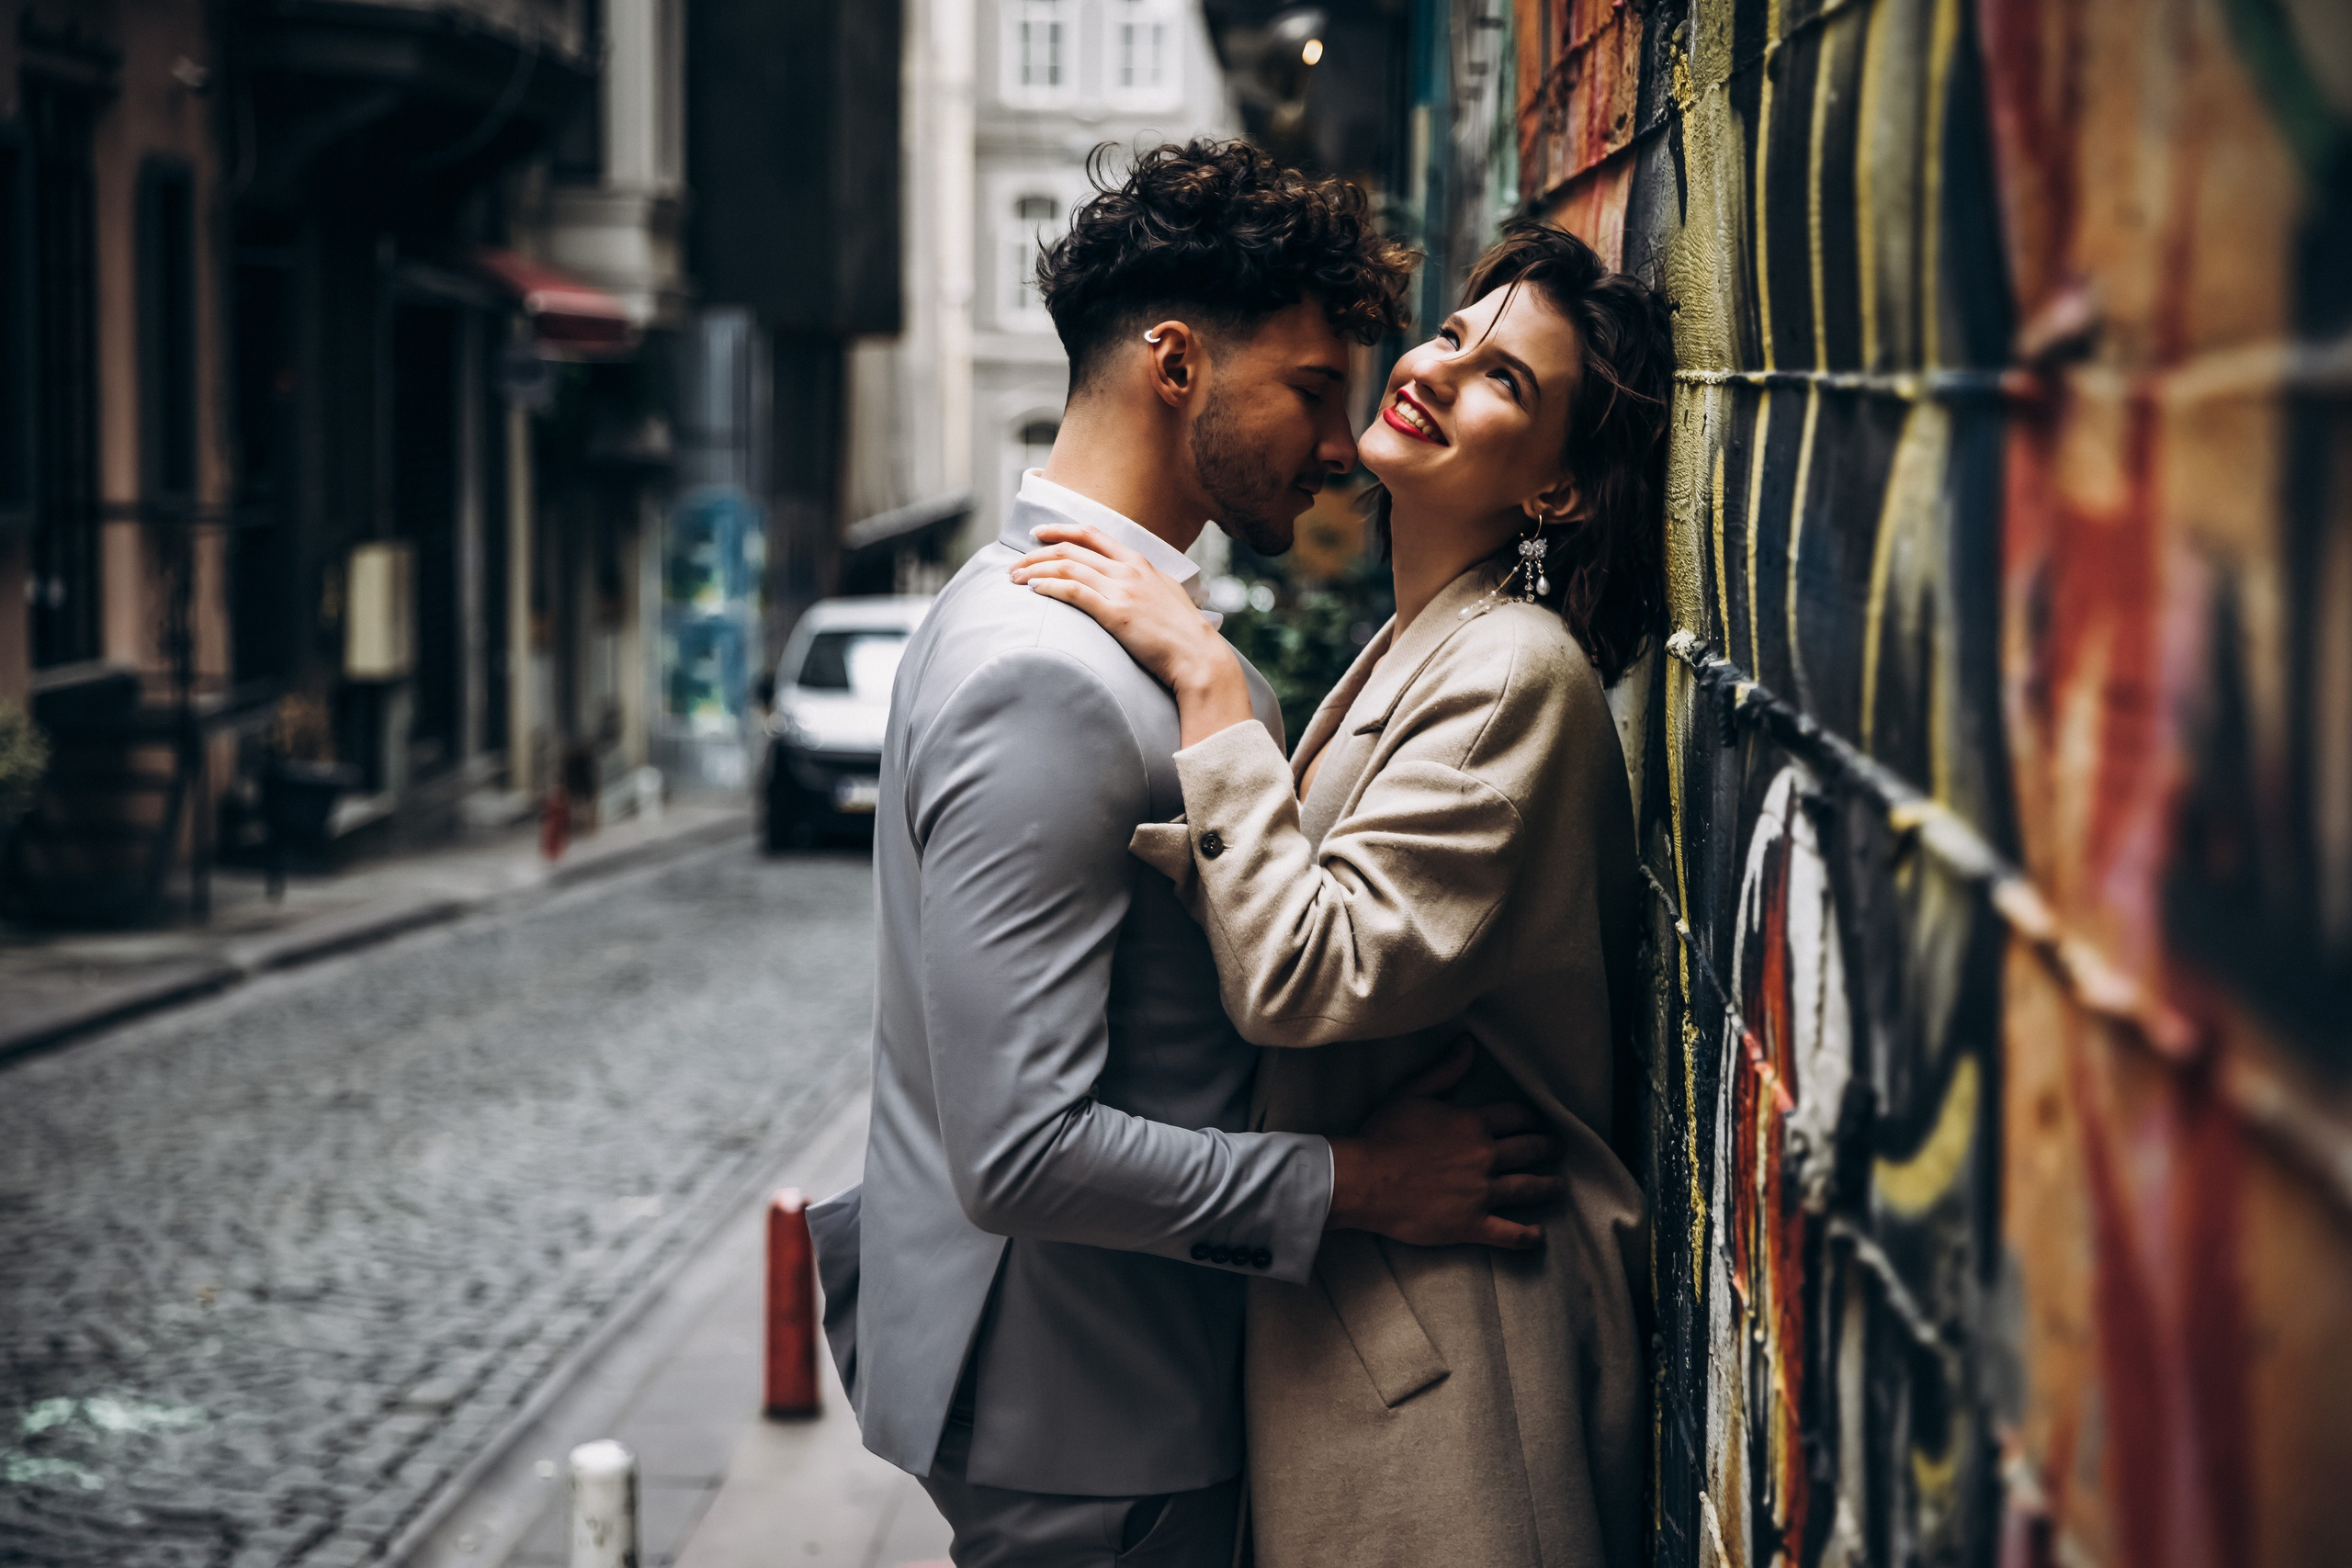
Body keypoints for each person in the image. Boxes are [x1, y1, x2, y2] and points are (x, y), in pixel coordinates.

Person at [808, 143, 1569, 1568]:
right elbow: (1021, 1152)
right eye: (1311, 390)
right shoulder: (1046, 673)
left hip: (1103, 1393)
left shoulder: (1039, 609)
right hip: (1094, 1415)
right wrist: (1361, 1182)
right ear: (1175, 365)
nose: (1340, 444)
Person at [1011, 220, 1674, 1568]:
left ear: (1556, 490)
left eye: (1504, 381)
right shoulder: (1427, 646)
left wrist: (1206, 682)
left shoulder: (1513, 674)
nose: (1436, 367)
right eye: (1456, 334)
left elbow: (1304, 979)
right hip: (1385, 1320)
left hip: (1461, 1353)